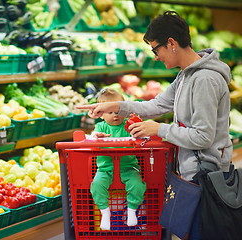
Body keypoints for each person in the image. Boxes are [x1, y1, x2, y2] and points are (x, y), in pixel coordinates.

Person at [77, 11, 232, 239]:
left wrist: (158, 129)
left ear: (171, 43)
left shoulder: (204, 80)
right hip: (196, 173)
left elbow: (203, 137)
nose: (156, 57)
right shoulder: (185, 76)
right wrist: (115, 106)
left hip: (209, 176)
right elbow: (158, 104)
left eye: (155, 49)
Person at [88, 88, 146, 230]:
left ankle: (132, 211)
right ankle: (105, 212)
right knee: (96, 185)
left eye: (118, 111)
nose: (115, 115)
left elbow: (140, 134)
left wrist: (136, 122)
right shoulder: (100, 126)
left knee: (138, 184)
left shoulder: (128, 125)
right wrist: (96, 136)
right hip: (105, 169)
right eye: (110, 112)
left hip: (128, 167)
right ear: (101, 114)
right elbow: (92, 137)